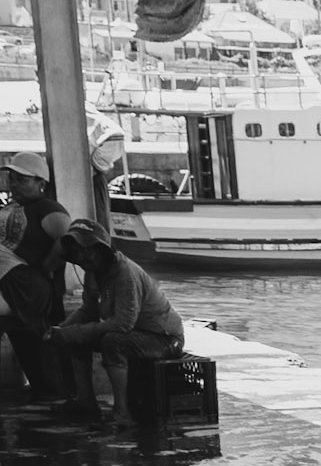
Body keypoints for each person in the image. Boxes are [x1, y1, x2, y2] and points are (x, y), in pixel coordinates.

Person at [48, 218, 184, 433]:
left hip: (164, 339)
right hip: (137, 333)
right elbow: (88, 310)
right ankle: (85, 401)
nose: (82, 257)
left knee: (113, 341)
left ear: (102, 251)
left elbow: (123, 324)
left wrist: (74, 332)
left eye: (87, 251)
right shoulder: (92, 272)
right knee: (74, 339)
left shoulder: (125, 273)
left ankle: (122, 414)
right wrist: (61, 330)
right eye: (78, 252)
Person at [0, 150, 70, 398]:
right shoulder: (11, 207)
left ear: (41, 183)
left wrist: (45, 268)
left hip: (26, 284)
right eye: (12, 179)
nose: (14, 185)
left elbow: (68, 240)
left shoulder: (47, 208)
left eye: (22, 180)